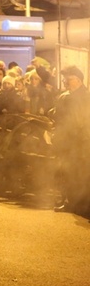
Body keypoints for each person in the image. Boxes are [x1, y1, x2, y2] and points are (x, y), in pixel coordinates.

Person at [50, 66, 90, 214]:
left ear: (78, 80)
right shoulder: (68, 95)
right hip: (69, 141)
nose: (65, 82)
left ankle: (79, 204)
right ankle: (72, 203)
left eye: (69, 79)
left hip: (78, 142)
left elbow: (78, 121)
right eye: (64, 79)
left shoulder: (83, 97)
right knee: (69, 173)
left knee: (78, 173)